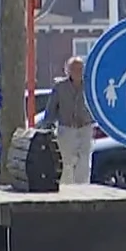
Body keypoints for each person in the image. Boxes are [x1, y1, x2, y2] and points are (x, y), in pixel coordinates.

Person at [41, 56, 96, 185]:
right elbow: (51, 108)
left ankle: (82, 188)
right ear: (68, 71)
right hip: (66, 129)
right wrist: (47, 126)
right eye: (74, 69)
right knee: (66, 162)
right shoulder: (60, 87)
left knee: (84, 161)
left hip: (85, 128)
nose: (78, 72)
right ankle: (67, 189)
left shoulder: (89, 86)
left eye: (80, 69)